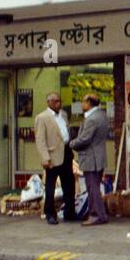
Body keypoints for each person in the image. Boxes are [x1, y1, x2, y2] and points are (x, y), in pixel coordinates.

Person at [34, 92, 77, 225]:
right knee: (51, 187)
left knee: (69, 184)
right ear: (49, 102)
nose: (59, 104)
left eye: (60, 101)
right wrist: (45, 157)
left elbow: (66, 131)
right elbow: (40, 140)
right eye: (56, 101)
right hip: (52, 156)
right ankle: (50, 213)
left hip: (66, 152)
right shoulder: (42, 118)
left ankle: (69, 212)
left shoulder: (63, 115)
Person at [69, 93, 110, 226]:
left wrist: (71, 143)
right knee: (95, 186)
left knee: (92, 188)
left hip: (91, 158)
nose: (82, 104)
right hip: (99, 156)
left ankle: (97, 215)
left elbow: (85, 139)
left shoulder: (91, 119)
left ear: (89, 103)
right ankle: (98, 214)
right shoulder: (102, 116)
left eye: (83, 102)